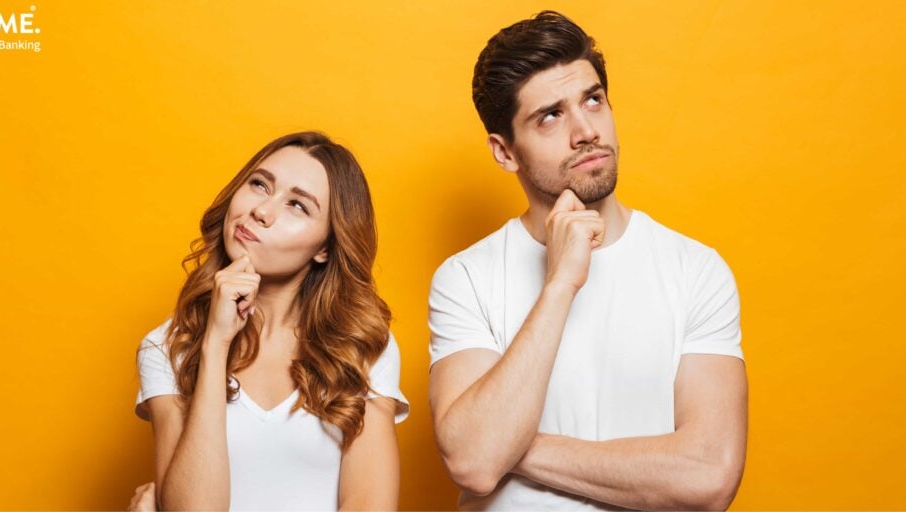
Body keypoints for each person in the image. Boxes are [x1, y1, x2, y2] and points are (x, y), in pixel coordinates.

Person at [428, 11, 747, 510]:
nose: (585, 132)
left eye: (592, 100)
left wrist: (510, 445)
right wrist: (560, 284)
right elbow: (472, 462)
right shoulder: (465, 278)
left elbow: (708, 477)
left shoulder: (696, 270)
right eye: (550, 115)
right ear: (505, 151)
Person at [129, 131, 409, 510]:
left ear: (325, 247)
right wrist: (215, 343)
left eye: (298, 205)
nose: (262, 211)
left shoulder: (361, 347)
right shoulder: (167, 348)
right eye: (260, 184)